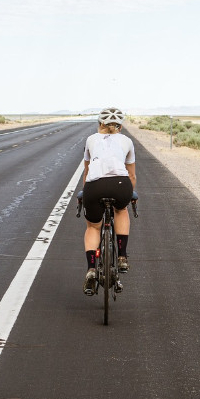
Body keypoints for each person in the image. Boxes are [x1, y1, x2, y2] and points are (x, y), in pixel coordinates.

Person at [80, 107, 136, 296]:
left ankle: (91, 269)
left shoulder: (91, 139)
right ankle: (121, 257)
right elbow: (132, 175)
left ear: (100, 124)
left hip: (94, 186)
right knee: (121, 210)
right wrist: (131, 194)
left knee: (93, 227)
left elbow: (87, 172)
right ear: (120, 126)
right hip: (121, 183)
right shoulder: (127, 141)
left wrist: (84, 192)